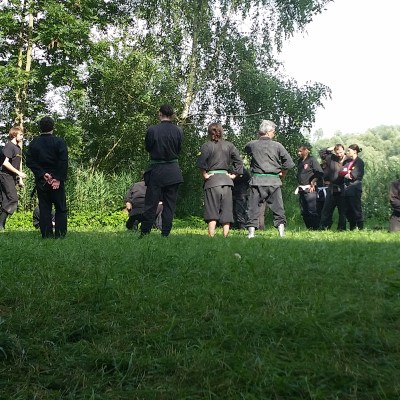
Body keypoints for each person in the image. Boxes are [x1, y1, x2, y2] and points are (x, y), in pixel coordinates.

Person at [244, 120, 295, 238]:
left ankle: (251, 234)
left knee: (253, 207)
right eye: (273, 132)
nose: (274, 134)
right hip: (274, 181)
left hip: (257, 181)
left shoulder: (252, 144)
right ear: (269, 131)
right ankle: (281, 233)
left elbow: (247, 149)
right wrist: (282, 174)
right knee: (278, 208)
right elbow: (288, 164)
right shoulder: (278, 146)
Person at [140, 104, 183, 237]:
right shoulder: (179, 131)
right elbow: (178, 149)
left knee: (151, 203)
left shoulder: (152, 130)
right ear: (172, 115)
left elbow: (148, 147)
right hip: (173, 171)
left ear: (160, 114)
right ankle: (165, 233)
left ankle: (145, 232)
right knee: (170, 205)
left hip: (157, 171)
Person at [197, 122, 243, 237]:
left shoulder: (206, 146)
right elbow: (239, 162)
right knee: (226, 210)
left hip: (212, 181)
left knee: (212, 211)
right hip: (227, 182)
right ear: (221, 132)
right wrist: (234, 175)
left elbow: (201, 162)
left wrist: (204, 175)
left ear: (209, 133)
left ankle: (211, 237)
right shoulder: (229, 145)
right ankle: (225, 236)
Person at [26, 116, 69, 238]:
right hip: (56, 181)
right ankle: (60, 234)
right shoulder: (59, 142)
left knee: (44, 208)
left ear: (40, 127)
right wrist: (57, 178)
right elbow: (63, 161)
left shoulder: (34, 143)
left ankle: (46, 235)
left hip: (42, 181)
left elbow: (30, 161)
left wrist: (42, 173)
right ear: (53, 127)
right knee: (60, 208)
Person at [0, 126, 27, 230]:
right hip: (5, 175)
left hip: (12, 177)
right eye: (20, 134)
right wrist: (18, 173)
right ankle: (0, 223)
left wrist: (19, 178)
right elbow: (5, 163)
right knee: (13, 199)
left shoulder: (18, 148)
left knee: (6, 200)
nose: (22, 136)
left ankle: (1, 226)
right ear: (14, 135)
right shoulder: (9, 146)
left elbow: (18, 164)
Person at [319, 144, 347, 230]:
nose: (339, 154)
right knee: (327, 210)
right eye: (337, 153)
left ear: (344, 150)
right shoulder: (332, 158)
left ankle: (341, 229)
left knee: (342, 211)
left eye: (341, 152)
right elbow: (322, 152)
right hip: (332, 188)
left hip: (343, 188)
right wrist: (331, 148)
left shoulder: (348, 160)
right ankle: (324, 227)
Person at [295, 145, 324, 230]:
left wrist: (313, 181)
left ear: (306, 151)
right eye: (298, 151)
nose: (299, 153)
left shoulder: (312, 160)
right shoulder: (300, 161)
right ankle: (309, 228)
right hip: (301, 188)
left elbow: (320, 172)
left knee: (312, 210)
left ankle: (316, 228)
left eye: (300, 151)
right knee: (304, 211)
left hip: (310, 188)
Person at [341, 144, 364, 230]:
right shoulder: (348, 162)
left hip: (355, 188)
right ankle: (352, 228)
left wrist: (348, 174)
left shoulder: (359, 162)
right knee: (348, 209)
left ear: (355, 151)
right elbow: (341, 172)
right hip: (347, 188)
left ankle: (360, 227)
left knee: (356, 208)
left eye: (349, 151)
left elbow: (353, 176)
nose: (347, 152)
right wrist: (346, 174)